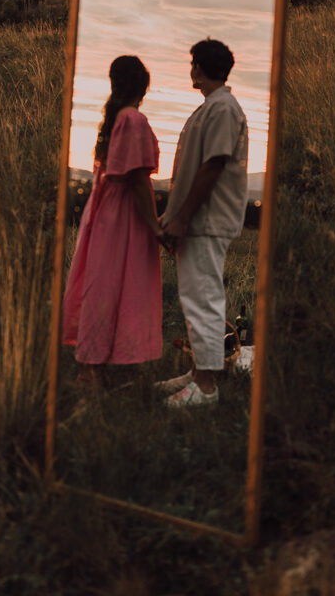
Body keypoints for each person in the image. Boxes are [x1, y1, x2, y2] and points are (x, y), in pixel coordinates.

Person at [62, 55, 165, 386]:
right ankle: (97, 368)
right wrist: (155, 225)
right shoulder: (133, 119)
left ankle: (101, 365)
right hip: (123, 215)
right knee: (122, 285)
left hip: (104, 209)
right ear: (142, 86)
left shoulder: (114, 118)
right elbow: (136, 180)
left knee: (102, 284)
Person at [159, 39, 248, 407]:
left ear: (205, 66)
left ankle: (207, 388)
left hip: (208, 220)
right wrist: (170, 217)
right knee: (194, 298)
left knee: (205, 298)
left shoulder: (224, 108)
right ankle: (198, 372)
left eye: (194, 62)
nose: (191, 68)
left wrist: (180, 218)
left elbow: (213, 165)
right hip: (194, 220)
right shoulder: (209, 107)